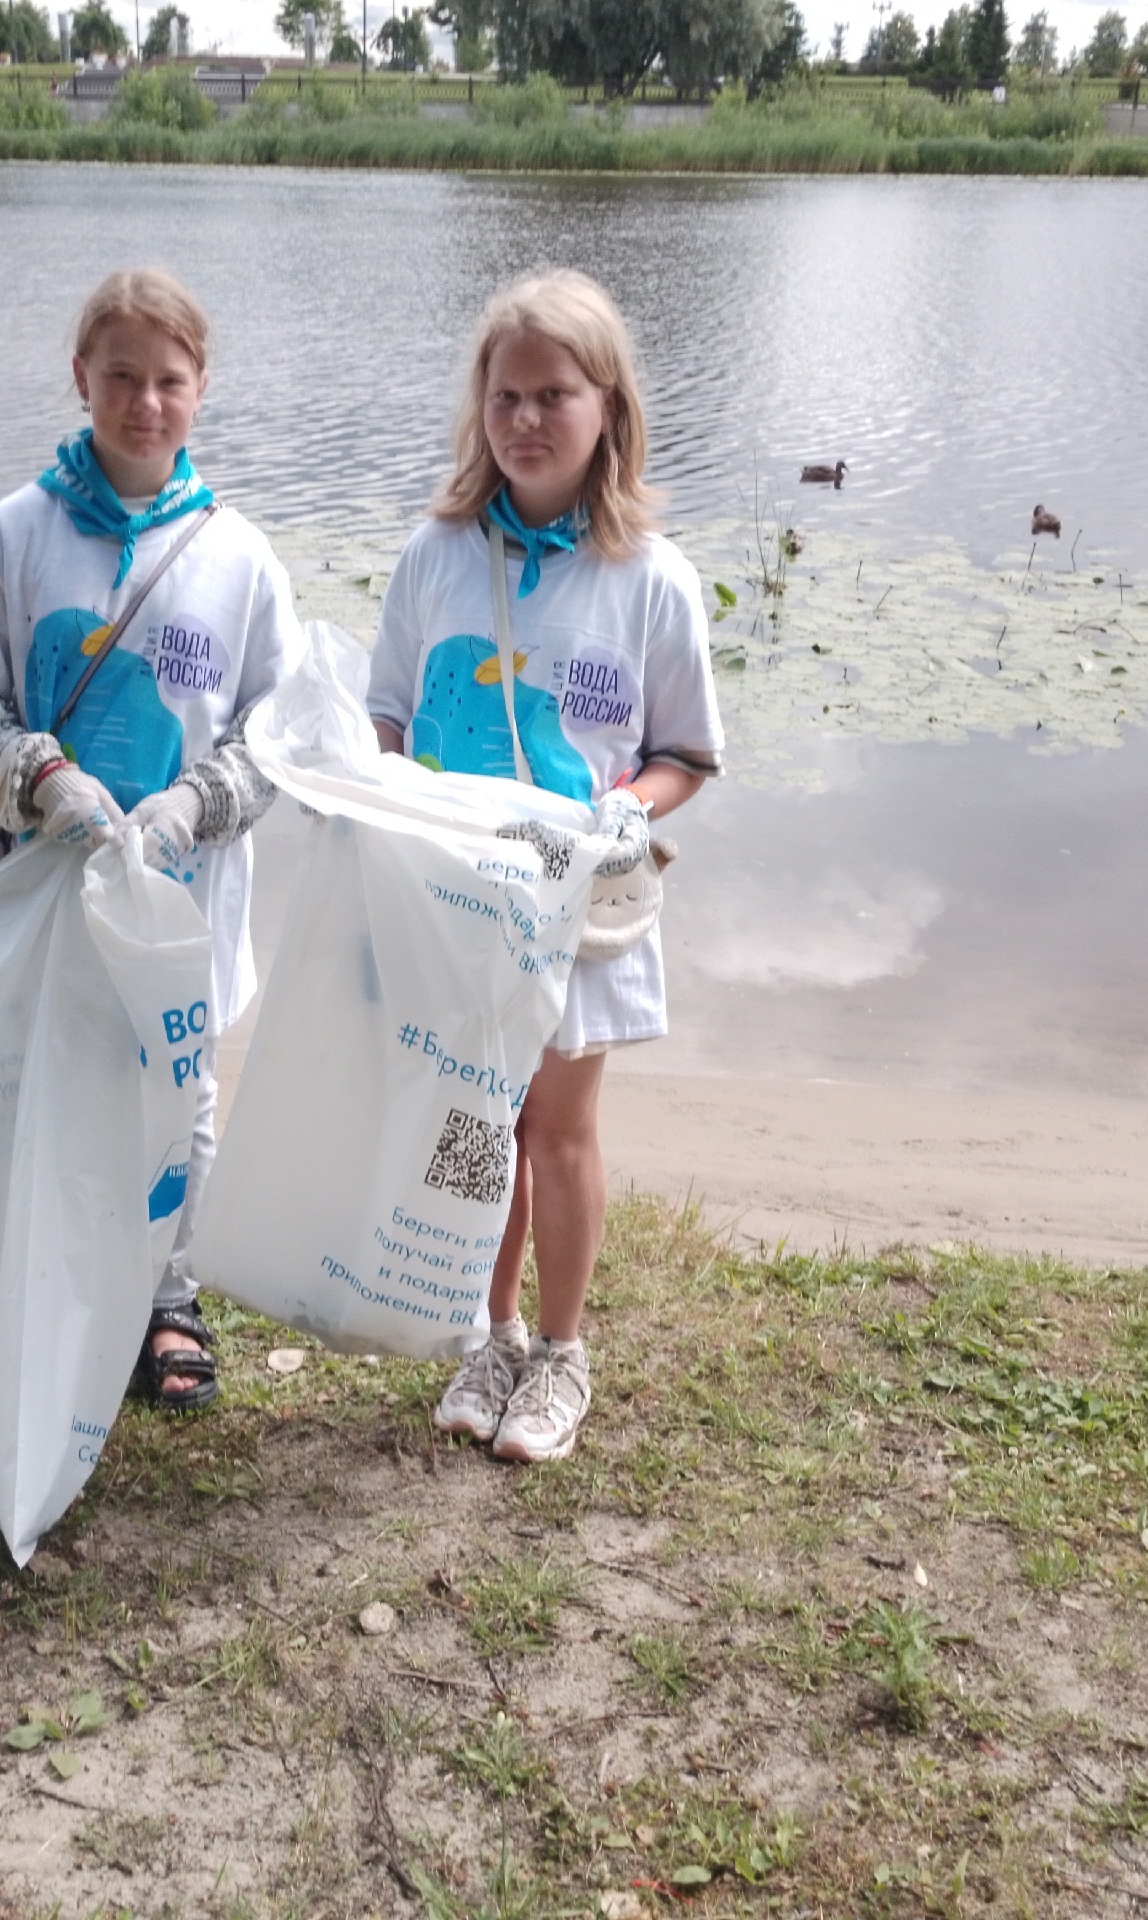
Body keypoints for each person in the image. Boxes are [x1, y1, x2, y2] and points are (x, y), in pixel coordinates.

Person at [0, 268, 304, 1412]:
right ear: (80, 377)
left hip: (179, 907)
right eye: (123, 377)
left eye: (170, 381)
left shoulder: (237, 557)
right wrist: (41, 777)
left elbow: (278, 731)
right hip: (42, 887)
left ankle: (165, 1297)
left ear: (202, 390)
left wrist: (199, 803)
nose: (146, 402)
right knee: (40, 1084)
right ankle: (51, 1276)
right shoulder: (16, 535)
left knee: (177, 1097)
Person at [366, 270, 723, 1464]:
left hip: (577, 909)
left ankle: (560, 1357)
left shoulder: (651, 580)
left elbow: (685, 753)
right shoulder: (435, 556)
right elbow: (382, 724)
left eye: (553, 395)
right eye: (505, 396)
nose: (525, 420)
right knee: (473, 1119)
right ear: (480, 407)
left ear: (607, 405)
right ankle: (491, 1331)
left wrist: (628, 805)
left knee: (553, 1129)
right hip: (457, 907)